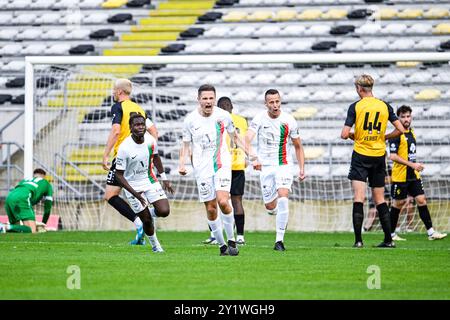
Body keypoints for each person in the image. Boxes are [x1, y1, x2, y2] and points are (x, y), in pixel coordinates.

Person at [341, 74, 405, 248]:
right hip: (378, 156)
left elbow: (344, 134)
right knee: (380, 199)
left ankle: (358, 241)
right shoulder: (384, 106)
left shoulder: (356, 106)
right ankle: (388, 240)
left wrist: (356, 136)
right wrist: (384, 137)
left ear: (359, 89)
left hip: (361, 155)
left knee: (359, 198)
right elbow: (400, 129)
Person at [179, 84, 240, 256]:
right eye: (204, 98)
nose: (208, 101)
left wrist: (251, 154)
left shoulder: (224, 116)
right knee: (211, 208)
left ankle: (232, 239)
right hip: (201, 168)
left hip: (222, 163)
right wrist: (182, 164)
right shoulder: (190, 120)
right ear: (198, 99)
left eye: (211, 98)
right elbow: (185, 145)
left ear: (215, 99)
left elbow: (235, 136)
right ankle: (222, 246)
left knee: (222, 201)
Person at [244, 89, 306, 251]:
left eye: (277, 101)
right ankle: (279, 213)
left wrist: (301, 168)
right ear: (266, 104)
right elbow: (246, 140)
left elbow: (298, 146)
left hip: (284, 165)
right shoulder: (259, 118)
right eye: (271, 102)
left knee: (283, 196)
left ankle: (279, 241)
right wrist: (254, 158)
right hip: (265, 167)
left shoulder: (289, 120)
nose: (275, 105)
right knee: (270, 206)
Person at [102, 78, 158, 245]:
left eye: (114, 90)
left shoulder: (118, 106)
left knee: (111, 195)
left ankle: (139, 221)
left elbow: (116, 130)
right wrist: (151, 154)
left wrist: (105, 154)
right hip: (140, 157)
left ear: (119, 92)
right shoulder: (138, 108)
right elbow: (154, 132)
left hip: (123, 157)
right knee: (136, 192)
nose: (113, 93)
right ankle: (144, 222)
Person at [115, 113, 174, 252]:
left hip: (150, 180)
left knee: (164, 211)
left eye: (142, 124)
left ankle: (144, 213)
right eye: (136, 125)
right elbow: (119, 175)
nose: (140, 127)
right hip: (132, 186)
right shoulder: (124, 148)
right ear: (130, 128)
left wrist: (164, 178)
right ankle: (156, 246)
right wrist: (135, 193)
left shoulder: (150, 140)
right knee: (147, 220)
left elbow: (156, 157)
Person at [388, 105, 447, 241]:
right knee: (398, 204)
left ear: (411, 117)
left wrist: (415, 165)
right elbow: (393, 156)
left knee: (421, 200)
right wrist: (413, 164)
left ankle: (431, 233)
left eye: (408, 116)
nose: (406, 119)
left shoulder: (412, 132)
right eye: (403, 117)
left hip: (413, 175)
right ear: (398, 118)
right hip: (400, 176)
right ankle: (391, 234)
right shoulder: (396, 134)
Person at [203, 96, 248, 245]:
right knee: (235, 200)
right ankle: (239, 235)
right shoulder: (241, 120)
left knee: (216, 201)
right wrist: (247, 156)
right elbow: (244, 140)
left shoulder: (216, 119)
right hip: (237, 165)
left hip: (221, 165)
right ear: (232, 107)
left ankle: (215, 235)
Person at [1, 168, 53, 233]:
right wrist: (43, 223)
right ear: (44, 176)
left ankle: (4, 227)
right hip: (23, 197)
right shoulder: (47, 184)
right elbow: (47, 209)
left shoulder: (25, 180)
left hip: (10, 196)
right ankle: (4, 226)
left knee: (16, 230)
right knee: (31, 230)